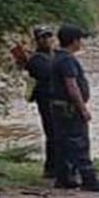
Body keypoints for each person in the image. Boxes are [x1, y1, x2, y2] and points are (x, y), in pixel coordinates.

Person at [50, 24, 99, 193]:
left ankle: (64, 178)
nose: (81, 44)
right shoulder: (67, 60)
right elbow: (72, 86)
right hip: (70, 109)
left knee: (63, 143)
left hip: (58, 108)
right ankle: (89, 180)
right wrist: (83, 109)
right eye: (80, 40)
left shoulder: (56, 57)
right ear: (74, 41)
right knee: (79, 143)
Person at [12, 26, 58, 178]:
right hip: (46, 100)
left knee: (58, 133)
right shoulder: (37, 59)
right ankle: (51, 168)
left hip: (55, 99)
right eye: (42, 37)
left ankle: (58, 166)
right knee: (53, 133)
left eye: (49, 36)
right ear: (37, 40)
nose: (46, 40)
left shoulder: (54, 55)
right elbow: (48, 74)